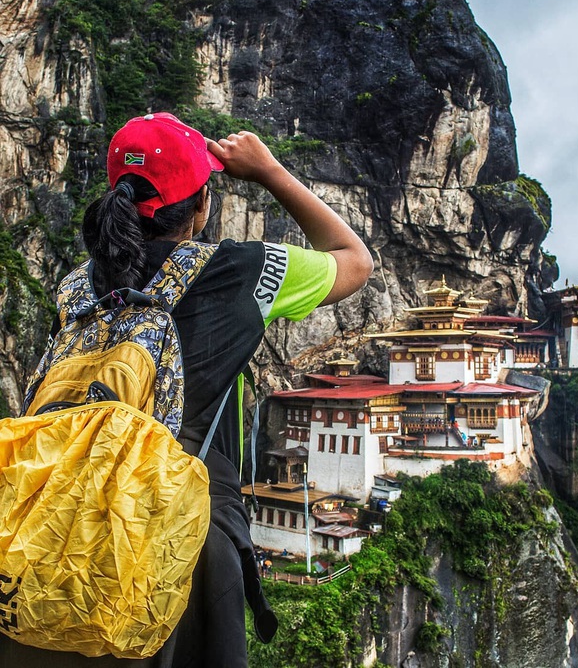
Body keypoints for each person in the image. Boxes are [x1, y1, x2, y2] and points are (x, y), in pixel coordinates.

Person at [0, 112, 372, 668]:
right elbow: (355, 261)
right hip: (179, 549)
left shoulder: (75, 288)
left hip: (51, 539)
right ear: (201, 206)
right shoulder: (236, 271)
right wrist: (268, 170)